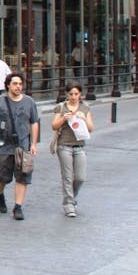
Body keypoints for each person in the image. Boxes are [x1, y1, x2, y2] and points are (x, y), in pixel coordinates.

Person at [0, 72, 39, 221]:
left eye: (20, 84)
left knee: (23, 176)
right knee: (2, 177)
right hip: (3, 145)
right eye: (15, 84)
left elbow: (34, 123)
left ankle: (18, 207)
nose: (18, 87)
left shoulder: (29, 102)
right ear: (8, 85)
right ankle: (0, 194)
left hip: (22, 146)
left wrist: (33, 144)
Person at [51, 79, 94, 218]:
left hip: (80, 146)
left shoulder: (85, 107)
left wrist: (83, 118)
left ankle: (71, 197)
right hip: (64, 146)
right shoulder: (61, 107)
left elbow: (91, 128)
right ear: (67, 94)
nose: (74, 97)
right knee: (67, 177)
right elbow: (54, 125)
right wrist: (64, 118)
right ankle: (69, 204)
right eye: (71, 94)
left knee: (80, 177)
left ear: (80, 94)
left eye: (76, 94)